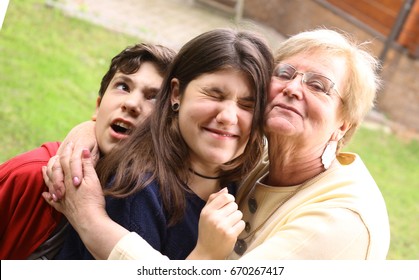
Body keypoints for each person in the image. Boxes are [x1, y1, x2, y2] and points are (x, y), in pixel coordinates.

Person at [45, 28, 390, 260]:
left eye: (319, 85)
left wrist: (91, 220)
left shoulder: (341, 221)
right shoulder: (247, 167)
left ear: (344, 124)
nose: (293, 88)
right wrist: (86, 137)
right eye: (284, 73)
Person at [44, 28, 274, 260]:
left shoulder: (247, 179)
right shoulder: (137, 190)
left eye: (247, 104)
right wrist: (206, 256)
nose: (228, 117)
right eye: (214, 95)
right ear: (176, 93)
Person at [0, 43, 176, 259]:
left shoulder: (164, 202)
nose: (131, 103)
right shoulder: (33, 175)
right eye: (123, 86)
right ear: (98, 106)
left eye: (154, 97)